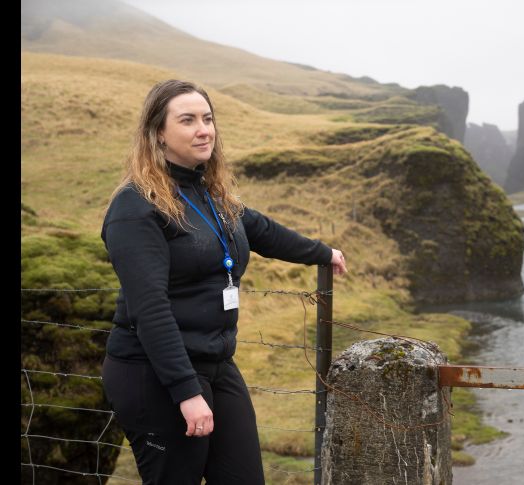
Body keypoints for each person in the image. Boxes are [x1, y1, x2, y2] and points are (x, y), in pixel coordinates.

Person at [99, 79, 348, 484]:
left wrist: (322, 252)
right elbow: (150, 309)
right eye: (188, 120)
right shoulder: (135, 207)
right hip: (153, 372)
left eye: (208, 118)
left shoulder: (207, 193)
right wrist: (185, 393)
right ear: (158, 134)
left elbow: (261, 230)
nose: (204, 129)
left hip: (215, 362)